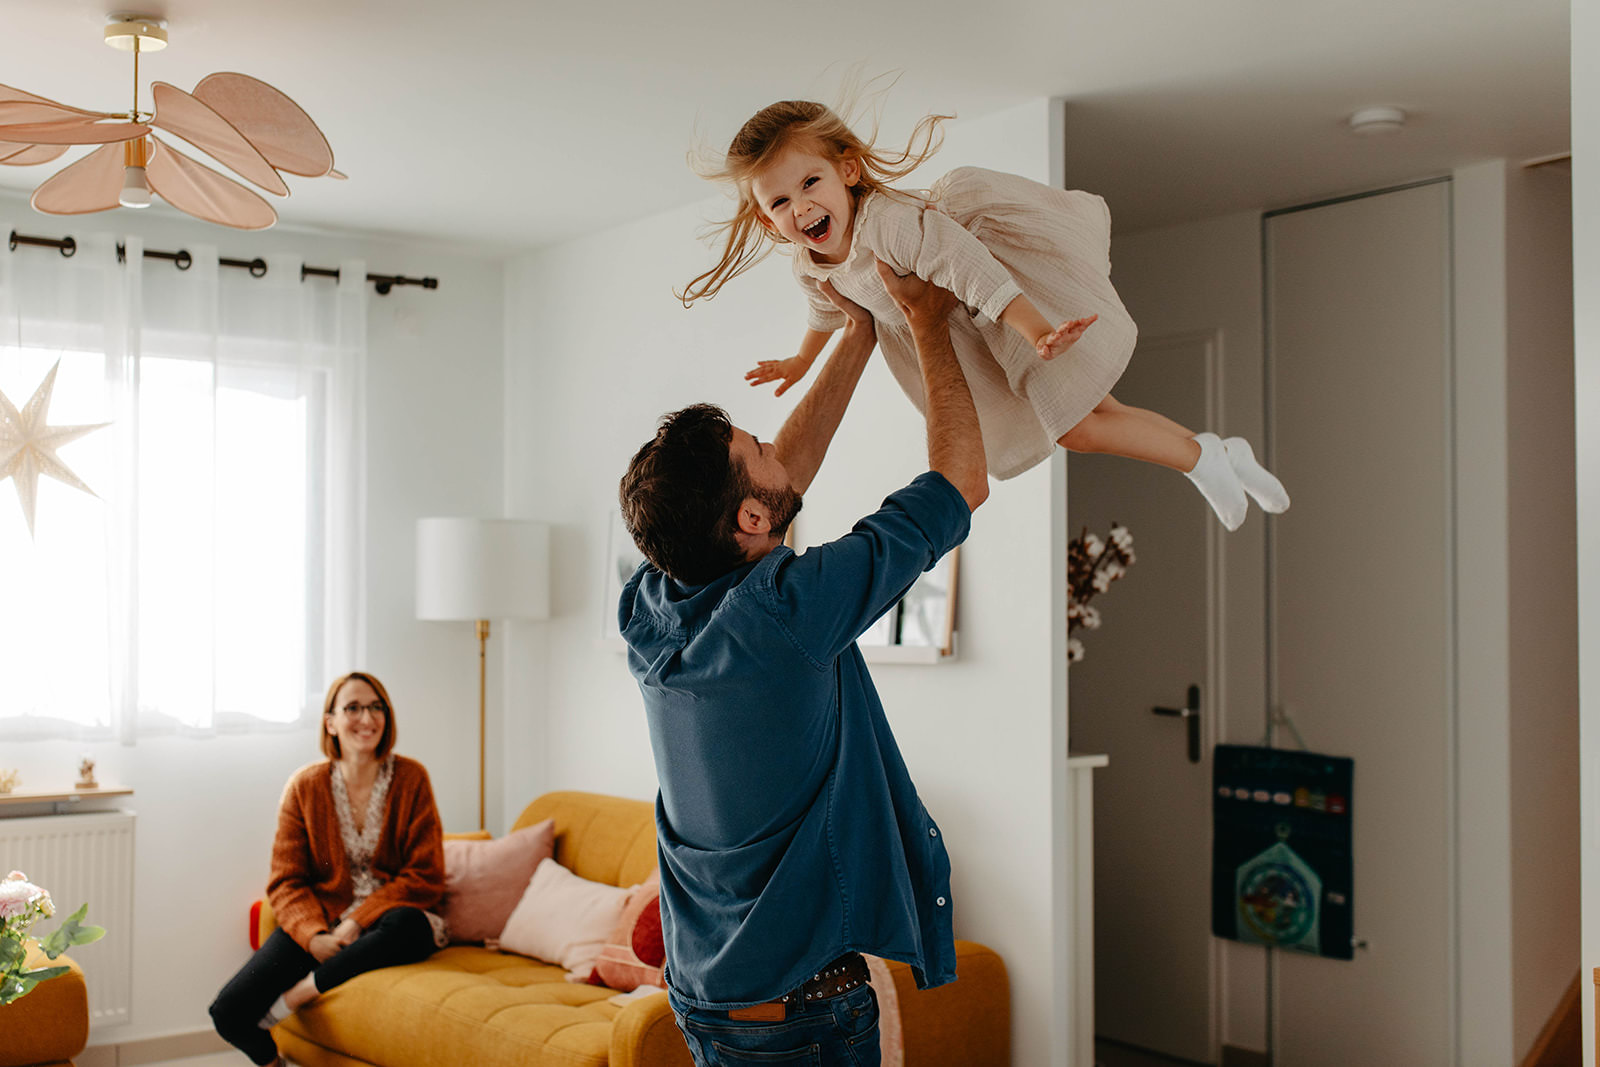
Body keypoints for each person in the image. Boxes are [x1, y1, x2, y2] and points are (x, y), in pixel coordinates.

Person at [619, 262, 985, 1065]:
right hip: (797, 1020)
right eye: (757, 446)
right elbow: (961, 483)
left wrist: (859, 334)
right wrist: (926, 322)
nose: (773, 445)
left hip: (707, 996)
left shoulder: (648, 608)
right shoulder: (786, 610)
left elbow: (776, 485)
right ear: (750, 518)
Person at [679, 98, 1290, 531]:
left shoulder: (889, 226)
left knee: (1076, 427)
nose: (801, 208)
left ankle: (1202, 460)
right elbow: (827, 314)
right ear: (766, 220)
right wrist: (800, 361)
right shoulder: (809, 264)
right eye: (780, 202)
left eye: (810, 183)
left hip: (995, 313)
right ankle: (1214, 453)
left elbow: (972, 271)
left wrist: (1036, 330)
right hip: (966, 343)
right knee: (1098, 410)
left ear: (848, 170)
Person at [209, 672, 446, 1067]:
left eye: (376, 707)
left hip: (388, 922)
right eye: (353, 708)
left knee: (409, 925)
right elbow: (286, 881)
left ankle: (300, 994)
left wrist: (358, 921)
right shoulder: (305, 787)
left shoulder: (412, 779)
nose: (366, 718)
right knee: (228, 1013)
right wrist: (314, 937)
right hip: (323, 922)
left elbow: (426, 874)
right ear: (330, 722)